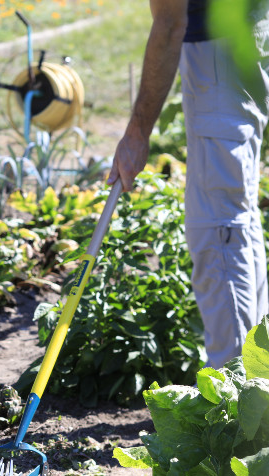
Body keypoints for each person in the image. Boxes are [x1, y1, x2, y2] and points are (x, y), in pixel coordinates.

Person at [108, 0, 269, 368]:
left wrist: (138, 133)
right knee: (235, 214)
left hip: (219, 56)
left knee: (218, 224)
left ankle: (236, 398)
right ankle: (259, 378)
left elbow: (168, 24)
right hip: (249, 37)